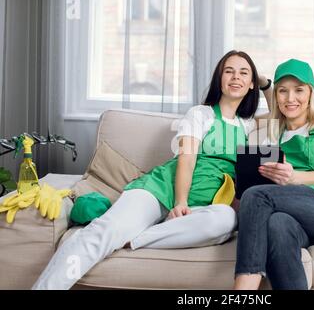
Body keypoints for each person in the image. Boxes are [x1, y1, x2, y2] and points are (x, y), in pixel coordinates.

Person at [32, 50, 262, 290]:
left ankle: (135, 237)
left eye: (244, 73)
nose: (236, 77)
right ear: (219, 79)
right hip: (159, 191)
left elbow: (284, 109)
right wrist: (180, 202)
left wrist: (263, 81)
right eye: (229, 71)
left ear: (251, 83)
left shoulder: (247, 126)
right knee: (102, 233)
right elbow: (187, 159)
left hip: (200, 209)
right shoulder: (200, 114)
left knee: (226, 220)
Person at [233, 59, 314, 290]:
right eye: (283, 91)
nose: (290, 99)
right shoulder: (273, 135)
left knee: (257, 195)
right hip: (296, 214)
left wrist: (293, 178)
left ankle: (244, 289)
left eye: (299, 90)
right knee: (277, 224)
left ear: (311, 93)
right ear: (277, 96)